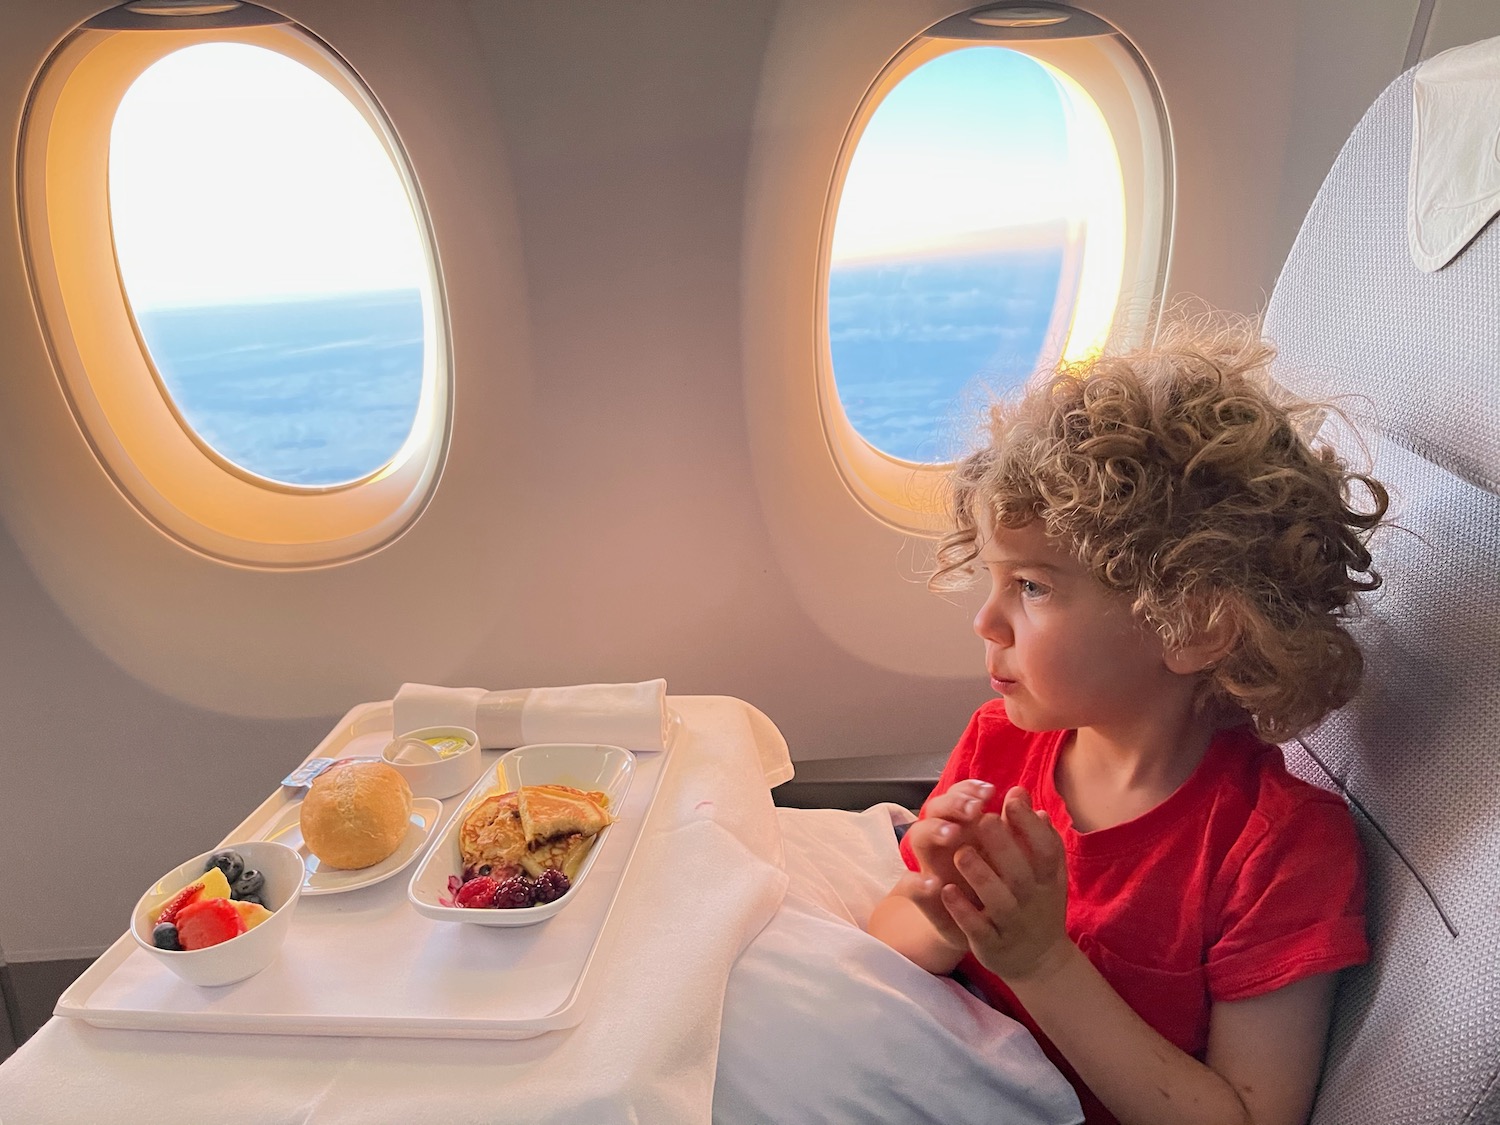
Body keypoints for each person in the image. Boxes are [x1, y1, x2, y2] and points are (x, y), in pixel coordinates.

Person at [867, 320, 1389, 1125]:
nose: (987, 622)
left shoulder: (1277, 849)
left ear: (1192, 625)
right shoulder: (1000, 745)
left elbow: (1251, 1117)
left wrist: (1042, 961)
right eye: (994, 580)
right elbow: (890, 934)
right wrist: (943, 908)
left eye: (1033, 587)